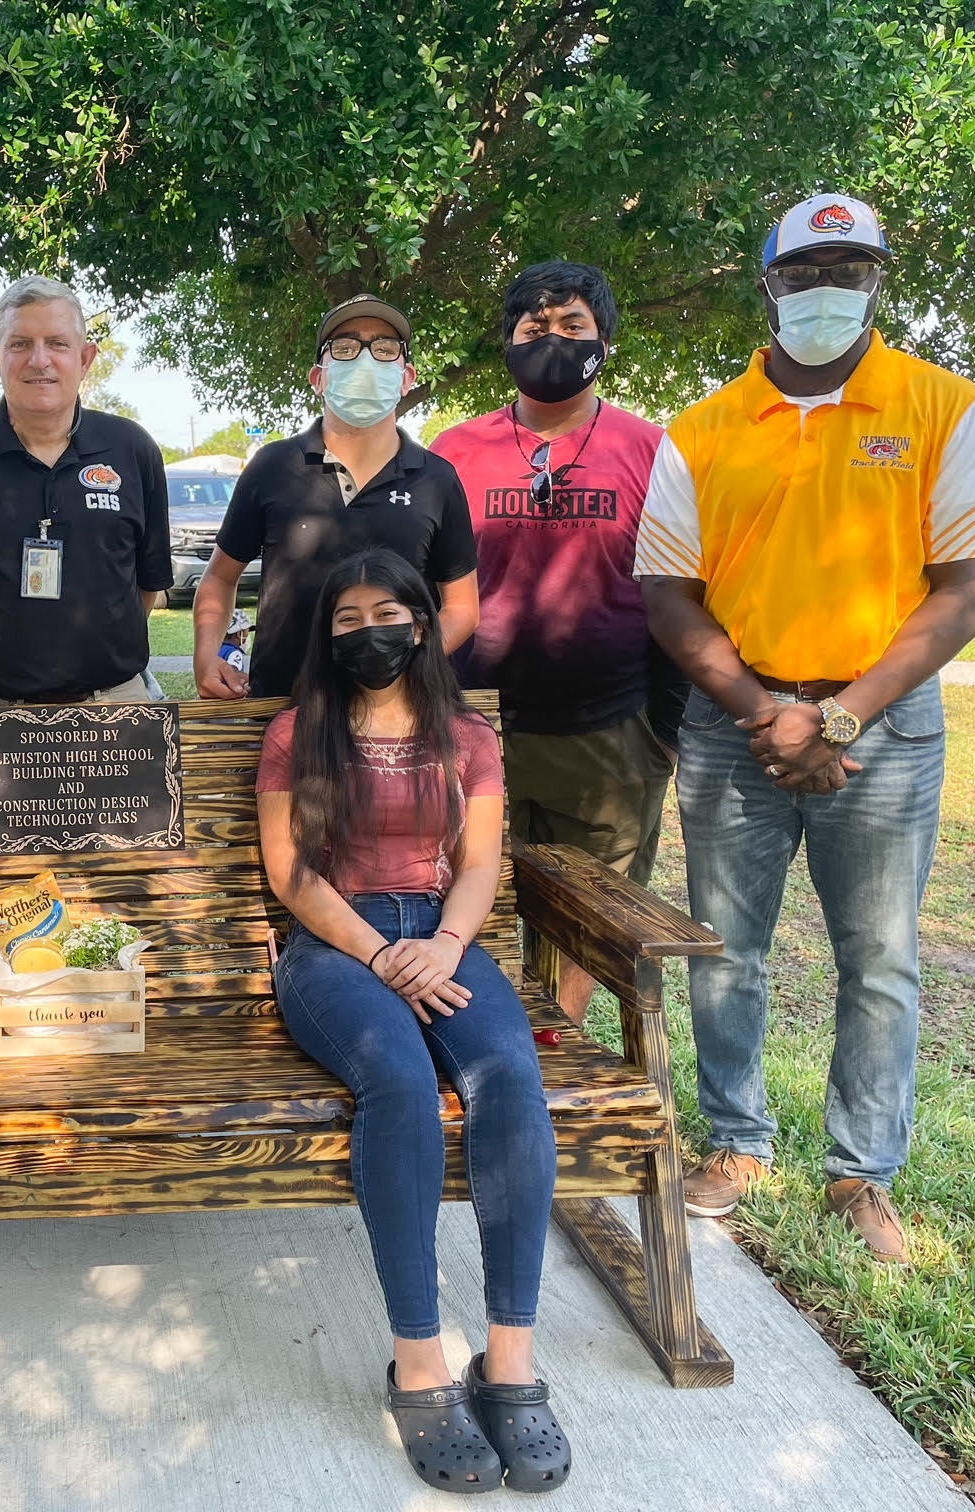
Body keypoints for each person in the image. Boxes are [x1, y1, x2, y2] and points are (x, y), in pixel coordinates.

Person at [635, 193, 975, 1263]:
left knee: (880, 956)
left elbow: (967, 589)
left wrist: (841, 716)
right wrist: (770, 715)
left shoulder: (945, 406)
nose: (825, 292)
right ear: (768, 285)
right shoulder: (705, 428)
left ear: (878, 282)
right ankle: (738, 1142)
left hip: (883, 727)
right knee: (724, 951)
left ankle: (861, 1173)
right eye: (804, 274)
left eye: (848, 270)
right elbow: (669, 596)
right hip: (734, 722)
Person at [258, 548, 568, 1495]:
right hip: (333, 947)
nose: (366, 633)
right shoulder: (294, 734)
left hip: (444, 937)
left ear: (423, 625)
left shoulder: (465, 736)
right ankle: (420, 1361)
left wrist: (442, 944)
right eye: (345, 620)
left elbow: (479, 865)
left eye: (384, 613)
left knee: (510, 1075)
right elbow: (291, 878)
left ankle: (509, 1359)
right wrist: (383, 954)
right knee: (396, 1079)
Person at [431, 261, 688, 1025]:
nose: (553, 339)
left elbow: (681, 594)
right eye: (533, 327)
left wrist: (662, 734)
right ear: (507, 341)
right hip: (474, 724)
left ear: (604, 341)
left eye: (573, 325)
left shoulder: (652, 450)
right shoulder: (455, 450)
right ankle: (479, 1047)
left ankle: (554, 1048)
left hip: (609, 732)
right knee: (468, 890)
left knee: (586, 912)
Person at [192, 294, 479, 702]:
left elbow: (462, 606)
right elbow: (221, 577)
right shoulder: (272, 466)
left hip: (402, 716)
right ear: (318, 378)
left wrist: (409, 664)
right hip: (284, 710)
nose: (365, 361)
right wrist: (206, 654)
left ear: (407, 377)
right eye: (344, 349)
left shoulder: (437, 478)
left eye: (384, 349)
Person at [0, 275, 172, 705]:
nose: (39, 360)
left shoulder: (132, 449)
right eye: (20, 344)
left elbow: (146, 584)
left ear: (85, 358)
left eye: (57, 343)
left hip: (116, 704)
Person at [219, 607, 252, 677]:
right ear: (239, 634)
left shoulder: (214, 650)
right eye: (247, 632)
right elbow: (233, 673)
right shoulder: (234, 653)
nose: (248, 636)